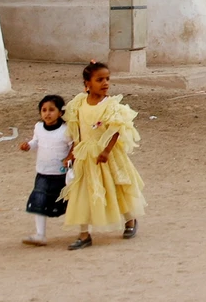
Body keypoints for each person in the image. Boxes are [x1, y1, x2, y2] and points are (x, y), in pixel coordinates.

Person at [61, 61, 145, 249]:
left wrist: (106, 151)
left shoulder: (111, 106)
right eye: (100, 80)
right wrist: (72, 153)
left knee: (116, 187)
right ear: (87, 83)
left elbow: (115, 130)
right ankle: (84, 234)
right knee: (83, 192)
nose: (105, 83)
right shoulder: (79, 104)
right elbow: (77, 131)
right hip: (86, 156)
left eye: (107, 79)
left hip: (106, 156)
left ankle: (130, 220)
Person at [18, 94, 71, 246]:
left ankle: (84, 230)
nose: (47, 113)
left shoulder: (66, 130)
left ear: (60, 112)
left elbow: (73, 146)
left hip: (61, 175)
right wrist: (28, 146)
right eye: (44, 110)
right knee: (39, 201)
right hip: (43, 173)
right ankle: (40, 234)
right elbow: (36, 141)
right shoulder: (39, 127)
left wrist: (69, 159)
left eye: (51, 110)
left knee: (71, 203)